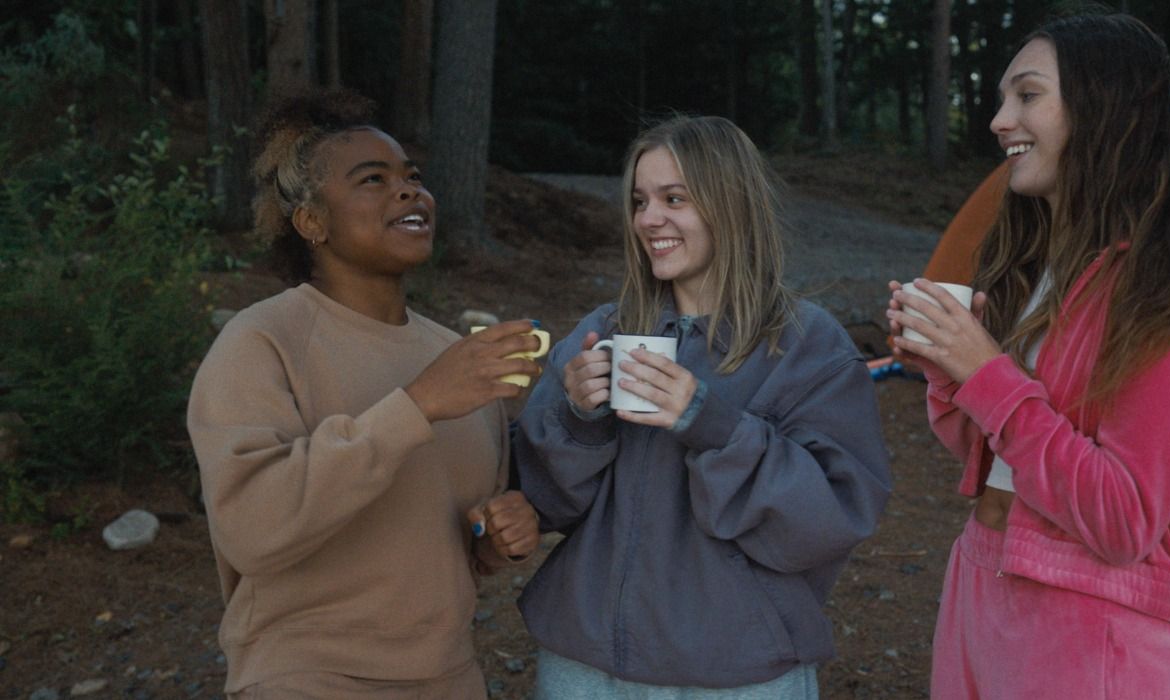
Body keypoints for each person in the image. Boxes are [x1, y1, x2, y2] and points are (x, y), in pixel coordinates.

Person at [885, 13, 1170, 699]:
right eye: (1003, 99)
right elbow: (995, 452)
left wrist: (988, 373)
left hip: (1085, 624)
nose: (1001, 120)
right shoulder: (1039, 264)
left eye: (1027, 95)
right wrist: (948, 361)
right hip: (980, 581)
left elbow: (1125, 520)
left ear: (1106, 108)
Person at [514, 115, 892, 698]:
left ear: (731, 204)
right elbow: (544, 502)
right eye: (640, 200)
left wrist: (712, 425)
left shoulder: (806, 346)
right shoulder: (604, 331)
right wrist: (577, 417)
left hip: (738, 669)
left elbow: (829, 520)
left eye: (675, 198)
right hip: (586, 663)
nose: (649, 219)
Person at [186, 90, 542, 698]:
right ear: (312, 222)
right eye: (372, 179)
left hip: (450, 676)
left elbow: (456, 542)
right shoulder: (261, 342)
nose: (409, 192)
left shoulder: (452, 356)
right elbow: (252, 527)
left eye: (412, 177)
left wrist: (500, 532)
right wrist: (417, 405)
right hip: (308, 676)